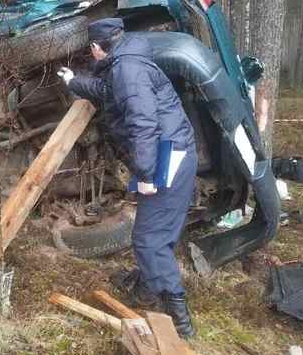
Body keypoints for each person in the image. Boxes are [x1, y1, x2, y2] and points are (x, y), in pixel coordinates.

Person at [57, 18, 198, 337]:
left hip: (165, 157)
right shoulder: (126, 62)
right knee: (158, 233)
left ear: (96, 48)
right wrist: (73, 82)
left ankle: (178, 318)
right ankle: (150, 287)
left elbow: (143, 123)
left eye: (90, 50)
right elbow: (107, 91)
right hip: (171, 150)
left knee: (148, 239)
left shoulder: (127, 70)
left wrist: (146, 173)